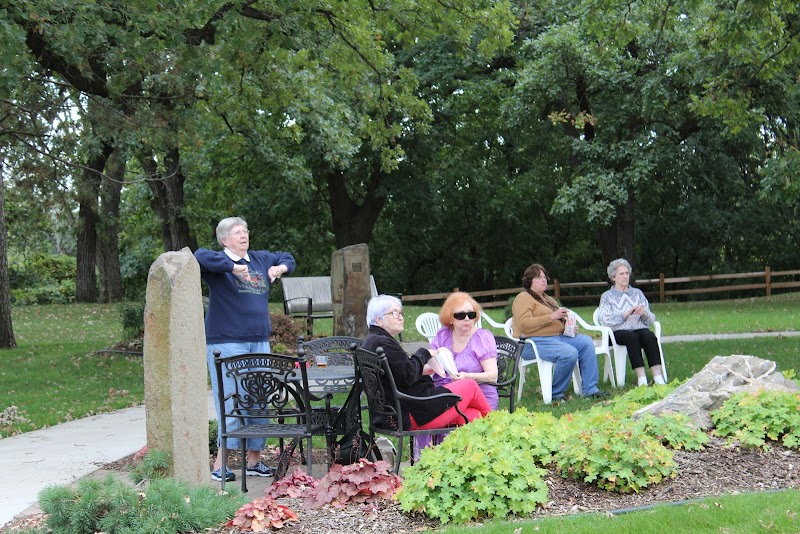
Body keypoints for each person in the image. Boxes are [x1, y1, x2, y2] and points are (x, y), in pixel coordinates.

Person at [194, 216, 296, 482]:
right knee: (230, 398)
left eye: (246, 231)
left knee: (259, 399)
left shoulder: (260, 259)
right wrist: (231, 267)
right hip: (226, 342)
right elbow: (199, 256)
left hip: (258, 339)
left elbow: (287, 256)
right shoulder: (217, 264)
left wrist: (279, 269)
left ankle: (253, 461)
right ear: (225, 239)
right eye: (237, 232)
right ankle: (220, 465)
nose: (243, 235)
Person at [362, 294, 491, 434]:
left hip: (394, 413)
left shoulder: (371, 341)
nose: (400, 317)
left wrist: (424, 369)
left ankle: (478, 446)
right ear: (378, 320)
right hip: (412, 415)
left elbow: (398, 374)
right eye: (394, 313)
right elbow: (407, 376)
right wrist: (424, 353)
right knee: (469, 385)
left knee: (471, 415)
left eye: (401, 313)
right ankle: (499, 426)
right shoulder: (384, 343)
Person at [511, 263, 607, 402]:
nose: (544, 280)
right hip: (532, 343)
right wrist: (552, 316)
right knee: (569, 353)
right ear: (529, 280)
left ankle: (590, 389)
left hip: (557, 338)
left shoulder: (547, 299)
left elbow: (557, 320)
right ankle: (555, 393)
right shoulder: (523, 298)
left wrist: (567, 327)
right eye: (539, 277)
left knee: (586, 342)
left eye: (545, 277)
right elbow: (524, 324)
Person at [598, 258, 665, 387]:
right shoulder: (607, 296)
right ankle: (642, 379)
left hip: (639, 328)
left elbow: (651, 320)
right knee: (631, 337)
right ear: (613, 277)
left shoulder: (637, 293)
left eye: (627, 273)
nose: (625, 276)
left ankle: (658, 377)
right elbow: (605, 320)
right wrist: (625, 314)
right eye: (621, 274)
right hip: (617, 332)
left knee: (649, 336)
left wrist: (644, 313)